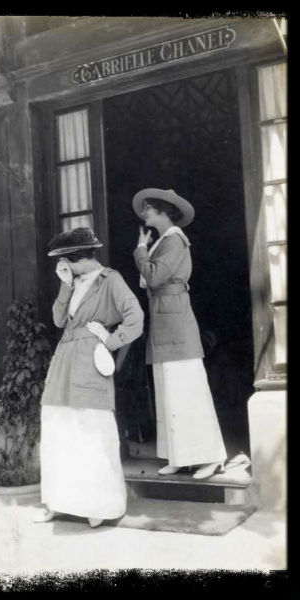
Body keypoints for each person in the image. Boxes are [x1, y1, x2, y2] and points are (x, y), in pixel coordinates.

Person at [35, 227, 144, 527]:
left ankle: (98, 504)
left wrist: (110, 340)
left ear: (76, 259)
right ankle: (59, 500)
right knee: (59, 426)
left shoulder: (111, 280)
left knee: (91, 429)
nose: (63, 269)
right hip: (64, 359)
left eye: (65, 263)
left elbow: (136, 319)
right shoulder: (72, 282)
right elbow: (59, 320)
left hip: (89, 359)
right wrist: (65, 286)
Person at [132, 188, 227, 479]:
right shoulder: (164, 241)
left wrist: (140, 249)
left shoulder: (174, 240)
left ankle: (210, 457)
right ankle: (180, 456)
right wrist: (147, 253)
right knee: (169, 390)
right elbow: (151, 279)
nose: (144, 213)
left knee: (187, 389)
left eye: (148, 208)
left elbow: (154, 277)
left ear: (162, 210)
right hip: (165, 317)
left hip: (174, 319)